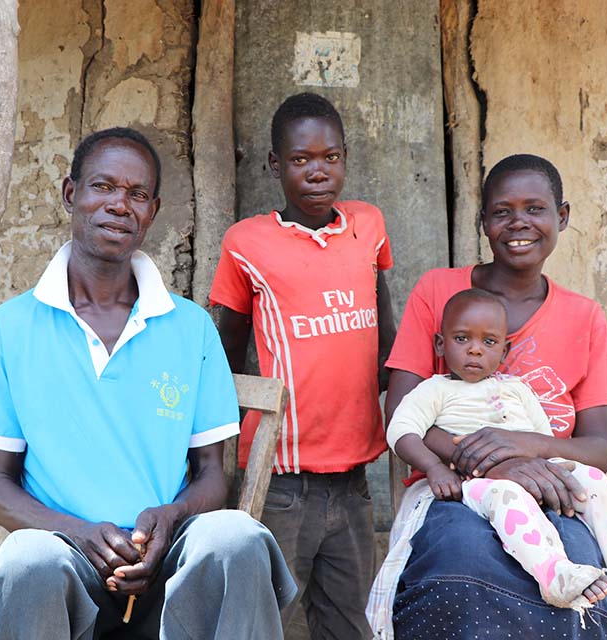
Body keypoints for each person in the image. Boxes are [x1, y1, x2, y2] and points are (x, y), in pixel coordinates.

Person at [0, 127, 297, 640]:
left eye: (137, 194)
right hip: (66, 555)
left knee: (236, 536)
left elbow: (211, 474)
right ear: (72, 194)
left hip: (170, 559)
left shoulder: (189, 327)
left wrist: (172, 516)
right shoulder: (9, 329)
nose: (119, 204)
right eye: (103, 186)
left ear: (152, 211)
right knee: (27, 559)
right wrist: (79, 534)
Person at [367, 153, 607, 640]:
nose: (519, 224)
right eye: (502, 211)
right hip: (451, 488)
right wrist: (492, 464)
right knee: (460, 562)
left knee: (580, 572)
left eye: (535, 209)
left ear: (563, 217)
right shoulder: (438, 291)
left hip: (552, 492)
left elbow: (600, 448)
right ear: (484, 222)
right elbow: (401, 413)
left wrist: (524, 447)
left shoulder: (585, 316)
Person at [209, 92, 396, 639]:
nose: (318, 171)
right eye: (300, 159)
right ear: (274, 165)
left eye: (330, 157)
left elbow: (384, 324)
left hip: (355, 480)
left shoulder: (369, 224)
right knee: (265, 620)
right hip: (281, 479)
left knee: (350, 622)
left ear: (345, 158)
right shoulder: (247, 243)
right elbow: (229, 349)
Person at [382, 288, 607, 637]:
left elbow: (543, 437)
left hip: (534, 473)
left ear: (504, 351)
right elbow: (401, 428)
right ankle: (554, 574)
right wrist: (434, 467)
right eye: (462, 339)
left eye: (489, 342)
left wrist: (549, 472)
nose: (475, 349)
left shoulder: (518, 389)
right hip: (478, 484)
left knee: (594, 482)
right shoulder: (434, 390)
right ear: (440, 345)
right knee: (508, 497)